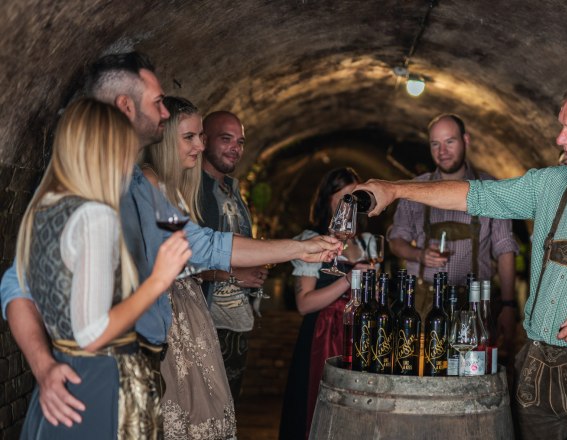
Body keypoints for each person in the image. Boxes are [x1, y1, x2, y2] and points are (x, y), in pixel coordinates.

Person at [0, 51, 340, 428]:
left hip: (137, 375)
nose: (165, 112)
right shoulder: (80, 193)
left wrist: (302, 247)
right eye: (158, 102)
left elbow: (206, 244)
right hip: (95, 379)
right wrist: (44, 367)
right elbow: (19, 285)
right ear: (126, 106)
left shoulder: (140, 189)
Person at [356, 81, 567, 439]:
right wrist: (394, 189)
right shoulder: (547, 185)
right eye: (561, 127)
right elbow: (475, 195)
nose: (560, 139)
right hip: (535, 366)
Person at [18, 98, 190, 438]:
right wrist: (158, 280)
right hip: (100, 382)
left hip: (62, 374)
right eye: (127, 150)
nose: (130, 165)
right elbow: (92, 332)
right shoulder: (95, 216)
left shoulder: (44, 208)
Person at [143, 96, 237, 439]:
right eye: (190, 137)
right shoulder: (147, 183)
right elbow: (204, 246)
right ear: (165, 138)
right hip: (165, 310)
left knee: (201, 410)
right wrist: (299, 247)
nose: (200, 144)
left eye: (200, 136)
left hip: (187, 306)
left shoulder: (175, 188)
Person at [388, 114, 519, 350]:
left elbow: (505, 249)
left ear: (465, 140)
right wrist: (418, 255)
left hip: (475, 302)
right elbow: (396, 241)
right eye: (435, 144)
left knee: (472, 375)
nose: (442, 151)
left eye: (450, 141)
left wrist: (509, 305)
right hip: (424, 301)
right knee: (422, 371)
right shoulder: (415, 189)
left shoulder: (491, 188)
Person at [279, 167, 373, 440]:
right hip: (322, 334)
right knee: (315, 406)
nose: (349, 205)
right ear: (327, 200)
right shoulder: (311, 240)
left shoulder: (366, 243)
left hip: (358, 335)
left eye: (353, 198)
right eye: (342, 197)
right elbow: (304, 304)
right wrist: (348, 280)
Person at [198, 110, 266, 402]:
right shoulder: (192, 191)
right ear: (203, 140)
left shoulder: (233, 190)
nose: (235, 148)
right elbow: (181, 264)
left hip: (236, 322)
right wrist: (238, 275)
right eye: (226, 139)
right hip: (204, 322)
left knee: (227, 410)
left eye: (239, 141)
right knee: (200, 413)